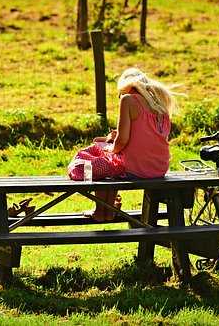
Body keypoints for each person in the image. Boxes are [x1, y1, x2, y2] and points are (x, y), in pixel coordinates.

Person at [68, 67, 177, 221]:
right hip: (159, 168)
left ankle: (102, 211)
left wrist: (110, 148)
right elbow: (148, 138)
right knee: (109, 160)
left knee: (90, 164)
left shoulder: (128, 100)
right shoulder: (160, 105)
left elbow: (122, 141)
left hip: (137, 168)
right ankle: (108, 208)